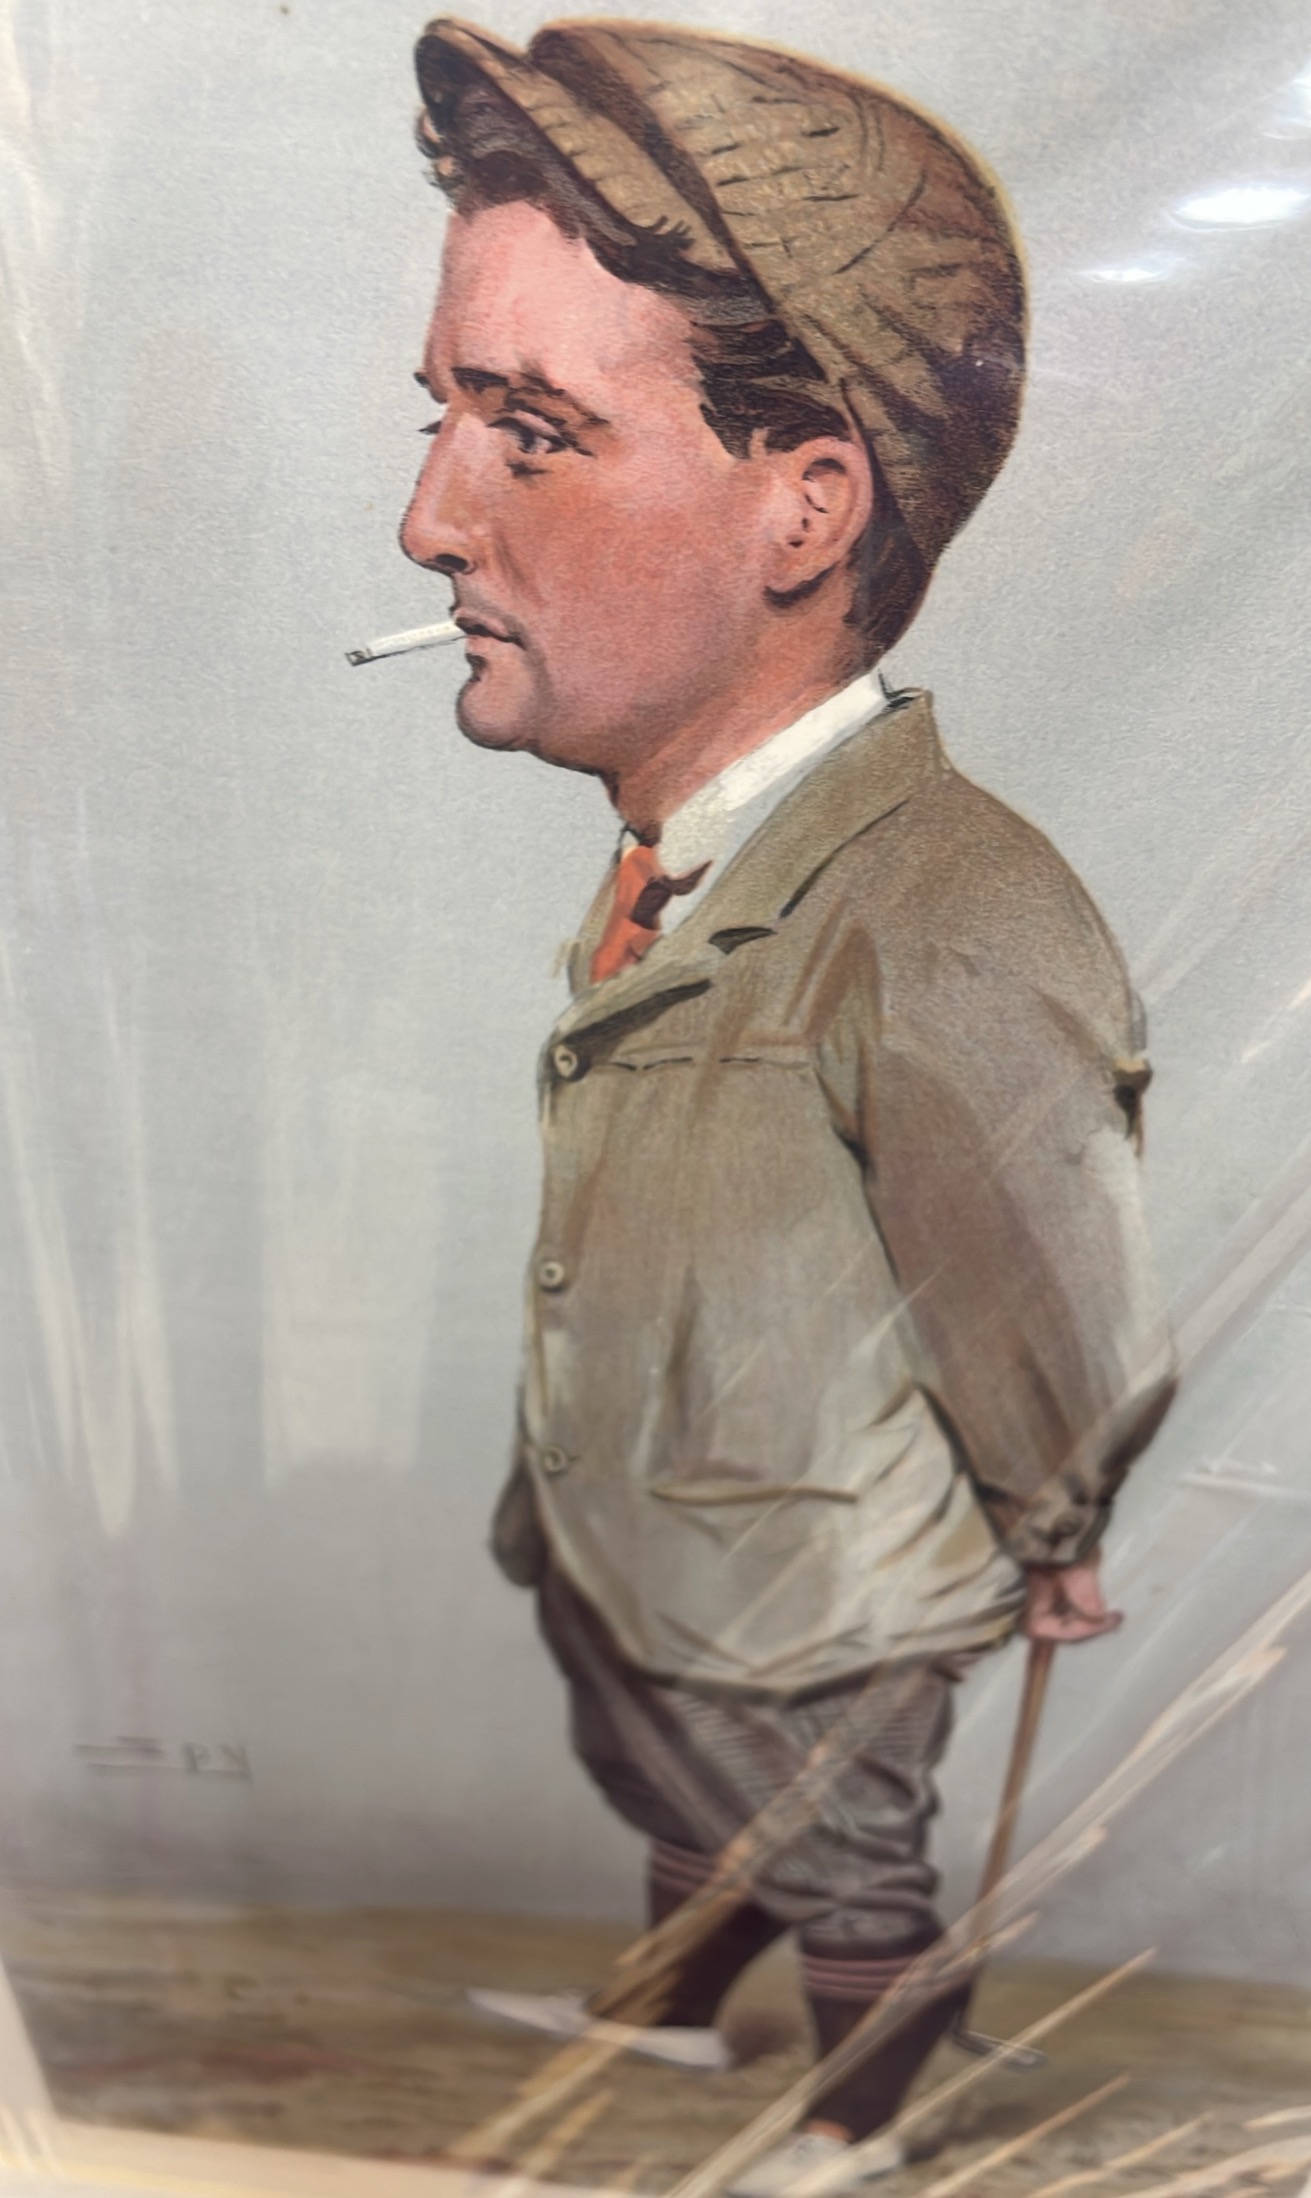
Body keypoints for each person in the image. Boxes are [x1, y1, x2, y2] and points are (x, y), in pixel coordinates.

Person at [393, 18, 1177, 2189]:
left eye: (529, 431)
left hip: (823, 1572)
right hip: (644, 1522)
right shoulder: (680, 853)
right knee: (671, 1767)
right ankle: (664, 2011)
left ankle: (861, 2112)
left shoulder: (949, 910)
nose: (425, 518)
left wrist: (1055, 1520)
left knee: (837, 1837)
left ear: (806, 503)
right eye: (436, 416)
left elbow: (1040, 1268)